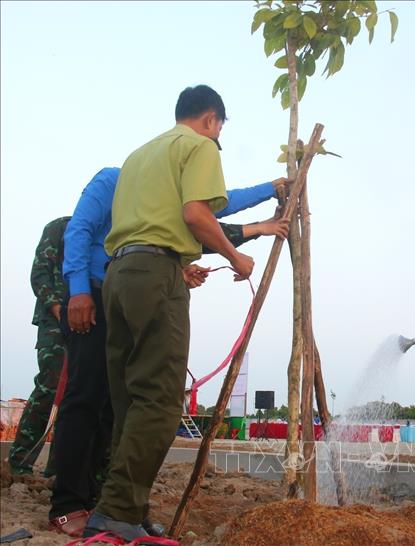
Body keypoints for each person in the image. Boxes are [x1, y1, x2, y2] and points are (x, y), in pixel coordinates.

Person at [48, 164, 288, 540]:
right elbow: (78, 231)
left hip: (127, 301)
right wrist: (78, 289)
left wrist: (271, 189)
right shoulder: (114, 179)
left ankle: (108, 503)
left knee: (121, 405)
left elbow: (215, 206)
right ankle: (66, 504)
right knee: (85, 398)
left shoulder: (165, 193)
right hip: (94, 295)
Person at [84, 84, 272, 540]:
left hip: (120, 274)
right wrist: (235, 255)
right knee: (162, 401)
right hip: (155, 277)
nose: (216, 137)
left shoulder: (140, 156)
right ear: (211, 120)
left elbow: (165, 218)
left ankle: (121, 509)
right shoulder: (199, 146)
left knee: (130, 400)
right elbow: (195, 214)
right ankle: (119, 512)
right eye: (219, 129)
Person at [8, 217, 70, 477]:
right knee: (49, 387)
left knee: (76, 397)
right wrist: (57, 307)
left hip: (91, 322)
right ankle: (19, 464)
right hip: (55, 320)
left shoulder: (110, 232)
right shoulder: (61, 228)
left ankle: (58, 470)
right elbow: (40, 273)